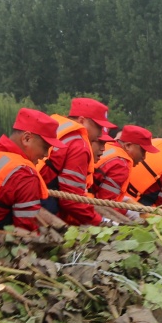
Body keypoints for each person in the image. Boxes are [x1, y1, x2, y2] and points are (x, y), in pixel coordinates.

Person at [0, 108, 65, 233]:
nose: (46, 155)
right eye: (45, 147)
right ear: (26, 138)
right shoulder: (24, 175)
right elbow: (26, 233)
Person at [40, 97, 114, 226]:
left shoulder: (57, 126)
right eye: (98, 127)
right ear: (82, 121)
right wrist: (99, 221)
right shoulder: (79, 145)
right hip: (40, 200)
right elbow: (71, 199)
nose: (101, 133)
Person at [92, 125, 158, 205]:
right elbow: (106, 203)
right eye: (143, 151)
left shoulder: (108, 146)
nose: (144, 157)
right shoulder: (121, 165)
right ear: (128, 146)